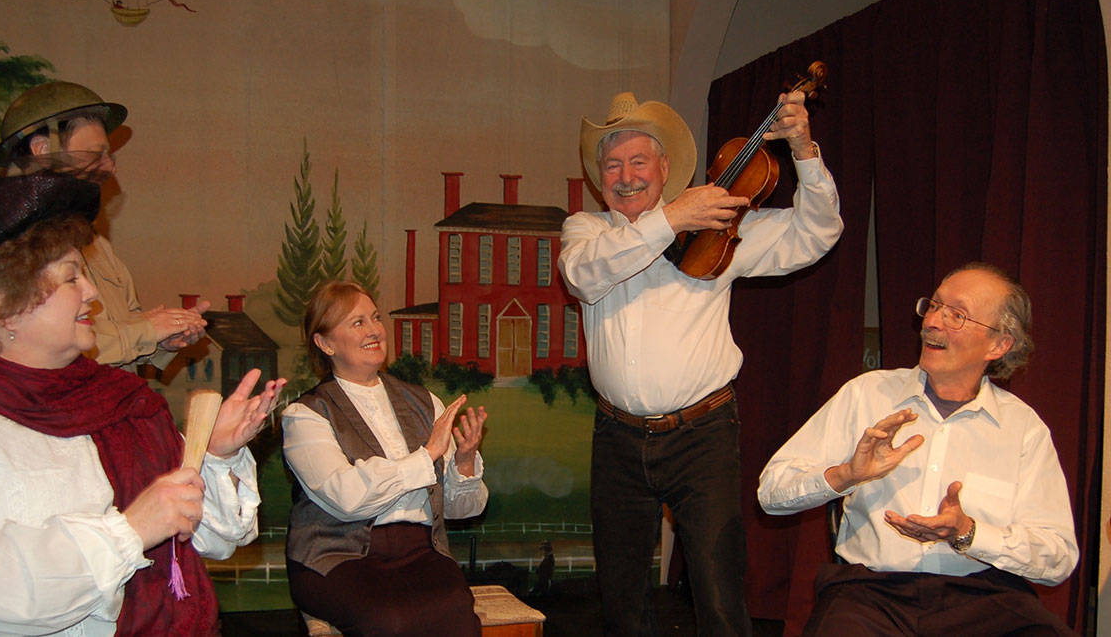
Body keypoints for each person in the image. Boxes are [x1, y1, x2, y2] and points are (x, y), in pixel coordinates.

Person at [0, 143, 286, 634]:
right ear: (2, 303)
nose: (92, 293)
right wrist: (130, 531)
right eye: (71, 278)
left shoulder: (119, 403)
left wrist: (216, 455)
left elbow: (213, 541)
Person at [558, 91, 843, 635]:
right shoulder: (587, 231)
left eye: (638, 161)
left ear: (665, 167)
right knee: (621, 597)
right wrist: (670, 220)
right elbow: (583, 276)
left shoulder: (717, 224)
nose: (625, 176)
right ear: (599, 177)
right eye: (612, 164)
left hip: (702, 433)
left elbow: (816, 233)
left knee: (718, 591)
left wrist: (804, 151)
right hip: (616, 437)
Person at [758, 263, 1077, 635]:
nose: (933, 322)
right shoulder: (866, 394)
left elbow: (1058, 557)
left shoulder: (1023, 428)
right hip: (870, 594)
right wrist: (847, 475)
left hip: (983, 598)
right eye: (934, 306)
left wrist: (968, 533)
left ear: (999, 344)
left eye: (956, 315)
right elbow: (771, 493)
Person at [282, 281, 489, 637]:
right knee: (391, 620)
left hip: (421, 552)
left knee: (456, 611)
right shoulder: (306, 415)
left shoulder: (425, 402)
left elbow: (459, 510)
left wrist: (464, 462)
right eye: (357, 322)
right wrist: (427, 456)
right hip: (337, 558)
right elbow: (347, 497)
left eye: (375, 318)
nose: (375, 329)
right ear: (326, 343)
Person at [0, 80, 208, 369]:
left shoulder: (97, 245)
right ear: (42, 149)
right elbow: (56, 346)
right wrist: (147, 331)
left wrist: (164, 337)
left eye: (108, 155)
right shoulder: (12, 247)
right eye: (94, 154)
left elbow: (125, 330)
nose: (109, 166)